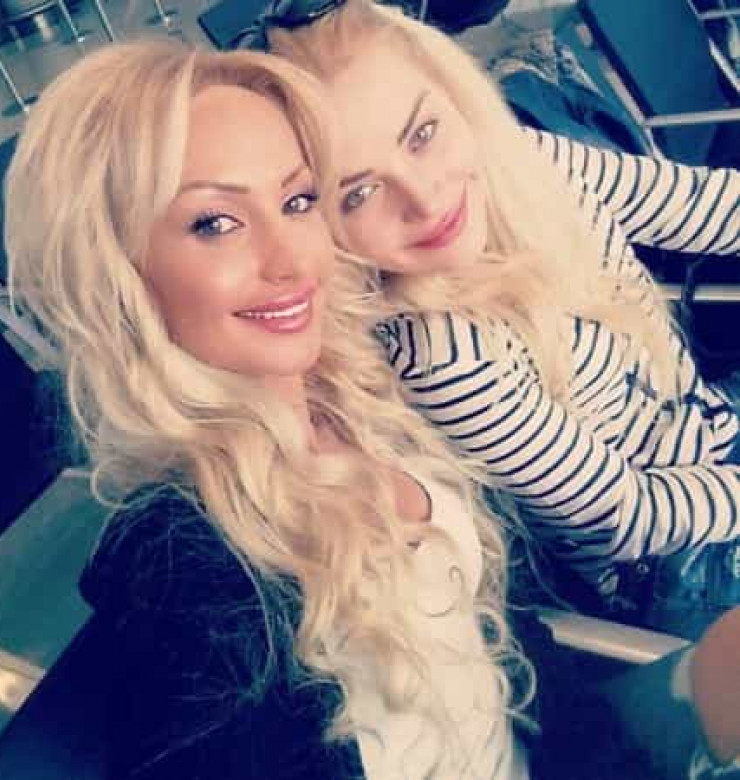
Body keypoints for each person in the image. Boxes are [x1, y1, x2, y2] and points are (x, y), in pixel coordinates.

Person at [4, 36, 740, 780]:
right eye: (216, 223)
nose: (292, 258)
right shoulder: (186, 568)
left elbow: (521, 682)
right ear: (115, 272)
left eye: (298, 200)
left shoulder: (371, 412)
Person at [265, 0, 740, 639]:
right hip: (674, 563)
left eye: (421, 134)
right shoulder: (441, 354)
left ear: (455, 95)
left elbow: (698, 207)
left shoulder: (521, 162)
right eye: (359, 193)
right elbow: (622, 516)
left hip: (714, 430)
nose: (425, 198)